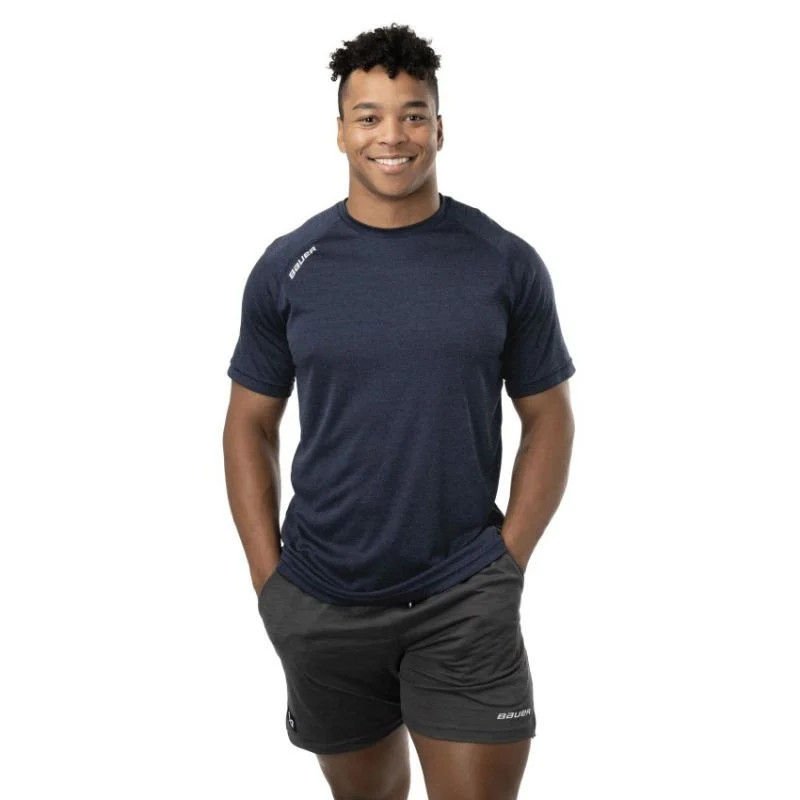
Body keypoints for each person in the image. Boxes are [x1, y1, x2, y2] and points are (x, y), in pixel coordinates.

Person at [222, 22, 576, 800]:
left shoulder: (504, 262)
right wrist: (268, 580)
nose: (393, 136)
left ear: (439, 128)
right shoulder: (288, 267)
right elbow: (249, 423)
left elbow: (549, 416)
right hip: (320, 596)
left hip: (462, 595)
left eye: (413, 115)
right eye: (370, 116)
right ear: (340, 132)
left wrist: (508, 560)